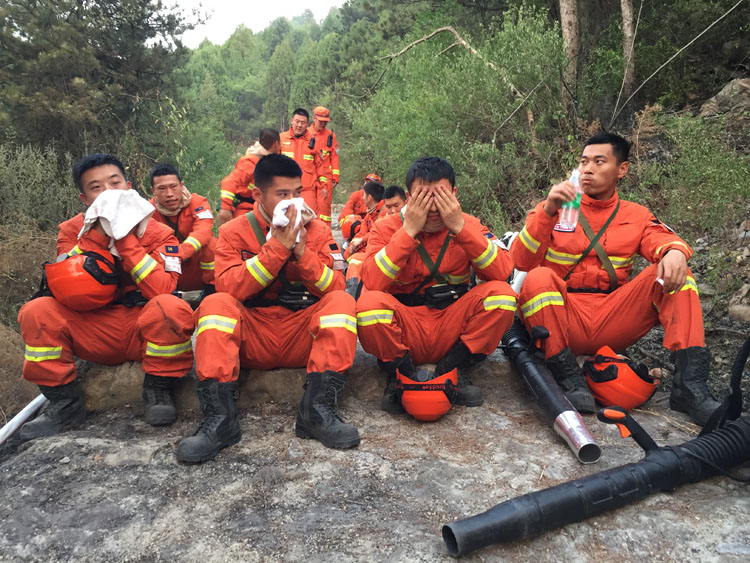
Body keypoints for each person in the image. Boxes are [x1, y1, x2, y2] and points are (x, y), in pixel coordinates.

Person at [510, 132, 720, 425]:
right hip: (562, 317)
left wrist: (674, 252)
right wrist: (547, 211)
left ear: (622, 170)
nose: (588, 169)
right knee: (539, 278)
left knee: (678, 275)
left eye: (599, 161)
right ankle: (569, 376)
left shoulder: (636, 215)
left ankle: (690, 388)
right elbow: (520, 260)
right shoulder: (554, 207)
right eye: (583, 162)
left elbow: (662, 238)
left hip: (611, 315)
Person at [177, 154, 359, 463]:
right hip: (253, 336)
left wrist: (301, 251)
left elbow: (336, 286)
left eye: (297, 192)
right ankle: (220, 419)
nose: (292, 202)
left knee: (342, 302)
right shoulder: (235, 231)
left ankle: (316, 411)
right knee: (215, 304)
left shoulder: (316, 230)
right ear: (258, 195)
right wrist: (276, 248)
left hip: (301, 336)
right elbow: (228, 288)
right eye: (282, 194)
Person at [17, 154, 194, 439]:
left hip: (142, 330)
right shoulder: (71, 231)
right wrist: (98, 234)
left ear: (129, 186)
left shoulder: (160, 231)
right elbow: (70, 290)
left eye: (115, 183)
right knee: (37, 310)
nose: (109, 193)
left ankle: (159, 389)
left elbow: (162, 289)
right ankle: (64, 403)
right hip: (91, 328)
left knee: (171, 307)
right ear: (85, 199)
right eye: (97, 188)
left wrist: (126, 240)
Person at [356, 157, 517, 413]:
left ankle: (453, 370)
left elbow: (503, 272)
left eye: (440, 197)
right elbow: (372, 281)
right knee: (368, 305)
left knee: (502, 296)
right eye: (423, 198)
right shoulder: (385, 228)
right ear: (409, 197)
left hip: (452, 327)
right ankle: (402, 376)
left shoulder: (470, 224)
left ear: (454, 194)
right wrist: (408, 232)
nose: (432, 208)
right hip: (406, 329)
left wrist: (461, 229)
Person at [149, 163, 216, 292]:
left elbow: (203, 231)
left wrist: (182, 252)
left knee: (211, 245)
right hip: (166, 263)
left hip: (194, 263)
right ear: (153, 191)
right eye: (162, 188)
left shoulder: (198, 203)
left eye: (173, 186)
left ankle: (212, 288)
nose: (169, 194)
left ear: (181, 185)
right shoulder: (147, 211)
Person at [218, 128, 281, 226]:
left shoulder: (268, 160)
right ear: (276, 144)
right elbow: (229, 182)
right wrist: (225, 208)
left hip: (258, 207)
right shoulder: (251, 162)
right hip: (243, 208)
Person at [279, 108, 326, 212]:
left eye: (303, 123)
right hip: (284, 189)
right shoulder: (281, 139)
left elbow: (320, 166)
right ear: (292, 121)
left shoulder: (314, 142)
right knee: (284, 221)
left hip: (307, 190)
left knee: (309, 221)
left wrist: (324, 187)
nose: (299, 125)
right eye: (297, 121)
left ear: (307, 124)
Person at [307, 106, 340, 226]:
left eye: (325, 122)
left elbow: (335, 157)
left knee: (324, 208)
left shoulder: (331, 136)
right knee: (310, 206)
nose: (323, 124)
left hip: (326, 177)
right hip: (310, 176)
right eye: (321, 122)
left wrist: (335, 177)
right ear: (314, 118)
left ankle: (325, 235)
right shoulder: (307, 134)